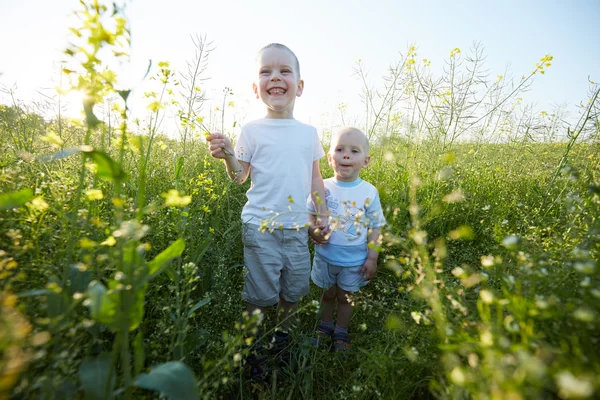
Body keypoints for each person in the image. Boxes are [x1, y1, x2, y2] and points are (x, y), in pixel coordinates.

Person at [205, 43, 328, 356]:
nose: (275, 77)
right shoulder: (252, 130)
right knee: (260, 295)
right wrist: (228, 156)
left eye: (285, 71)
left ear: (299, 87)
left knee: (295, 289)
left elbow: (315, 178)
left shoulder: (309, 132)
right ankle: (253, 346)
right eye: (266, 71)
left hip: (298, 226)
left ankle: (282, 338)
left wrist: (322, 214)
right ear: (255, 88)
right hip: (260, 227)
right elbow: (239, 177)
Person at [307, 127, 386, 352]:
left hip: (354, 261)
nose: (346, 155)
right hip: (325, 256)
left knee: (345, 297)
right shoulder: (322, 187)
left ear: (366, 161)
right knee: (327, 294)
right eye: (340, 150)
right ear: (330, 159)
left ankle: (341, 332)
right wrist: (312, 229)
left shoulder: (368, 192)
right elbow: (308, 212)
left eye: (354, 151)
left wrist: (372, 257)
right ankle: (324, 327)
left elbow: (376, 226)